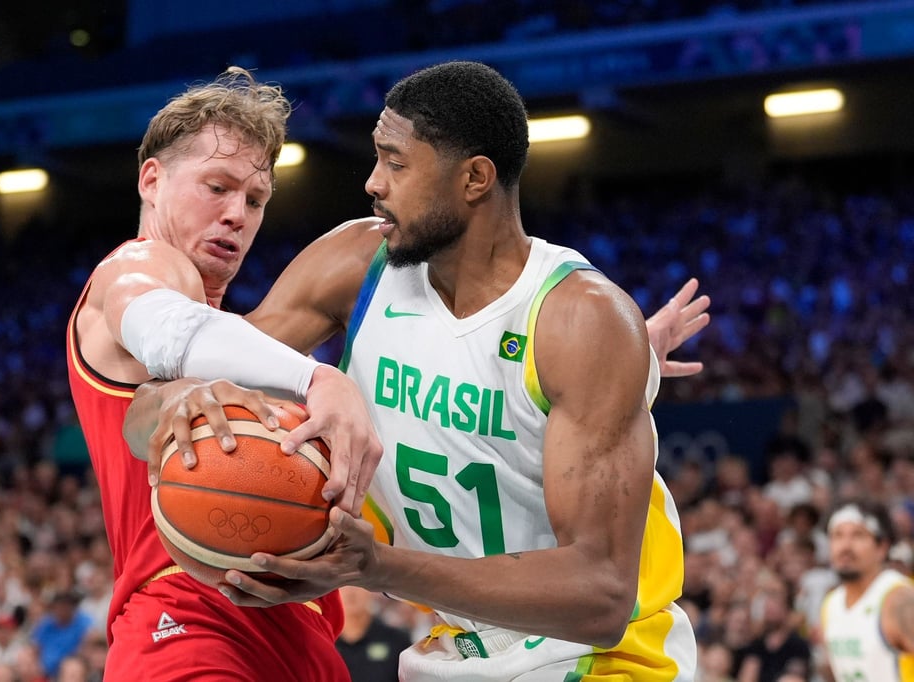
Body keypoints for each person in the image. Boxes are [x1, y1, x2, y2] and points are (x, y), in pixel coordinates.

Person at [129, 61, 706, 680]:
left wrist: (374, 566)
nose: (373, 183)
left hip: (605, 659)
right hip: (453, 648)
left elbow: (600, 599)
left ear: (475, 179)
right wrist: (182, 402)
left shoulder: (580, 322)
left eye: (396, 163)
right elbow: (142, 413)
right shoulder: (358, 267)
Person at [65, 67, 382, 681]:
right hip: (187, 621)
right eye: (217, 187)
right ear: (151, 180)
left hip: (302, 627)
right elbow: (160, 364)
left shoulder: (241, 341)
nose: (237, 213)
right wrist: (323, 380)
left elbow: (361, 252)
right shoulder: (137, 267)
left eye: (256, 200)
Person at [819, 500, 914, 682]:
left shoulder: (899, 599)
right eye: (837, 536)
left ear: (882, 547)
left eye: (858, 535)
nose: (845, 546)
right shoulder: (830, 604)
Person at [335, 586, 414, 681]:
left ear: (371, 589)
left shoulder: (397, 640)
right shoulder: (322, 643)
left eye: (357, 585)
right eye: (343, 586)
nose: (350, 592)